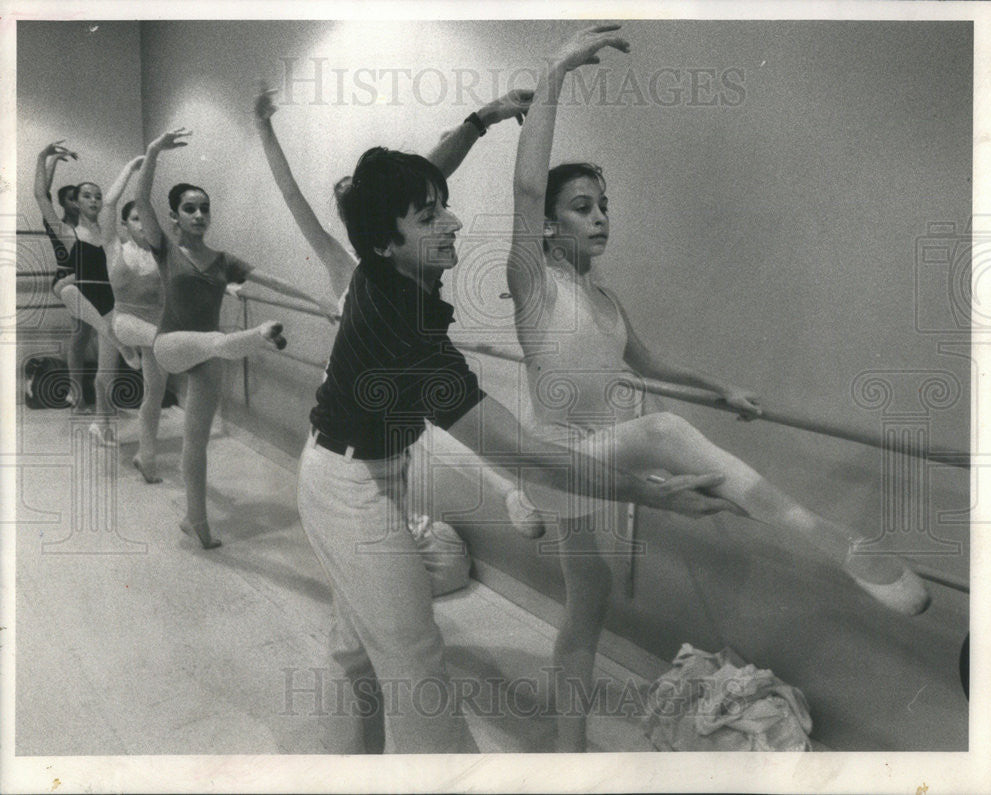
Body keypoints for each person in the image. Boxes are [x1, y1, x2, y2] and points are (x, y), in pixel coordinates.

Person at [507, 25, 931, 751]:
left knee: (589, 603)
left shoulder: (604, 300)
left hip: (582, 466)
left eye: (605, 205)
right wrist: (555, 72)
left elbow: (650, 361)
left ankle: (566, 754)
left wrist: (721, 387)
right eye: (582, 206)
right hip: (557, 457)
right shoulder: (532, 282)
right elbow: (522, 182)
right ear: (545, 228)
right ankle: (825, 536)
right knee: (663, 433)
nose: (601, 216)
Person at [297, 143, 731, 754]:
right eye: (430, 218)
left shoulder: (381, 263)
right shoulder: (403, 331)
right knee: (415, 657)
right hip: (346, 486)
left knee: (358, 647)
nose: (453, 222)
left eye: (443, 207)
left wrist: (480, 122)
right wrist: (652, 493)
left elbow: (401, 195)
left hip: (368, 465)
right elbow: (527, 456)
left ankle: (351, 769)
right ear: (385, 241)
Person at [253, 83, 547, 538]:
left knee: (436, 434)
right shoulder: (352, 274)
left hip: (390, 441)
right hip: (351, 448)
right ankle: (510, 491)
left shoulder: (389, 266)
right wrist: (264, 129)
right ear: (373, 233)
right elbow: (295, 200)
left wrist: (485, 118)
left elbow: (429, 174)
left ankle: (508, 492)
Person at [134, 127, 336, 549]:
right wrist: (153, 151)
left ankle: (197, 519)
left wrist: (319, 301)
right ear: (174, 218)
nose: (199, 215)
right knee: (219, 342)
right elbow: (140, 200)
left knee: (196, 441)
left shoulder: (224, 261)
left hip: (209, 353)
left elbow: (273, 281)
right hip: (171, 345)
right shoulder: (166, 250)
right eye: (189, 209)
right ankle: (257, 336)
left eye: (204, 209)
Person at [33, 142, 141, 441]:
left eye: (97, 195)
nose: (94, 200)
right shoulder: (68, 233)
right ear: (76, 203)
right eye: (86, 196)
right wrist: (44, 157)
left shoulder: (108, 234)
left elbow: (114, 205)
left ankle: (101, 423)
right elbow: (41, 196)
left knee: (108, 371)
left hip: (109, 300)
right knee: (69, 293)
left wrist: (131, 170)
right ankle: (116, 339)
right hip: (83, 296)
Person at [102, 158, 169, 483]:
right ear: (126, 224)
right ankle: (126, 348)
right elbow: (109, 204)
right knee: (165, 341)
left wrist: (229, 286)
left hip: (154, 328)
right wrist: (128, 169)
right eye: (135, 219)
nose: (142, 224)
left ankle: (147, 454)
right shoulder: (115, 248)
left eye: (146, 219)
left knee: (154, 394)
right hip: (125, 320)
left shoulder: (161, 255)